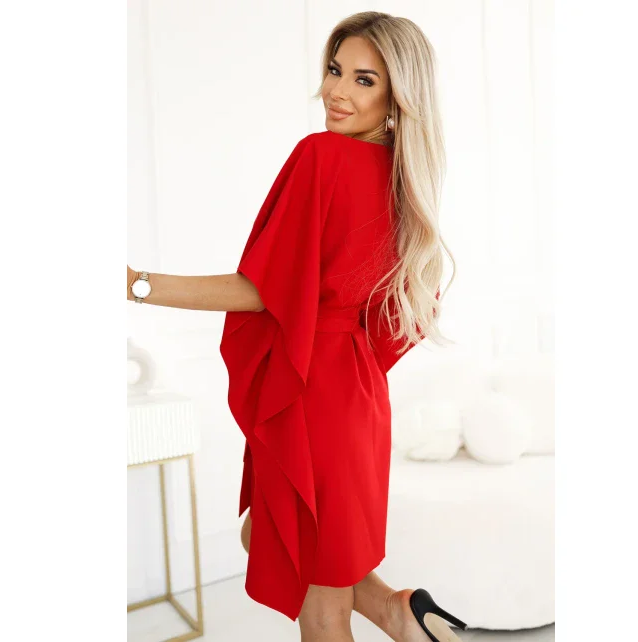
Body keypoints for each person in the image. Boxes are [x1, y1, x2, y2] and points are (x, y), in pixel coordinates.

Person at [127, 11, 468, 642]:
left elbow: (261, 292)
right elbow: (394, 313)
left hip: (314, 393)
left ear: (398, 95)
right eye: (336, 70)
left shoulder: (322, 156)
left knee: (320, 602)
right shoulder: (404, 178)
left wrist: (137, 284)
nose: (337, 90)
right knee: (276, 538)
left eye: (364, 80)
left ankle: (396, 613)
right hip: (356, 393)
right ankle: (399, 612)